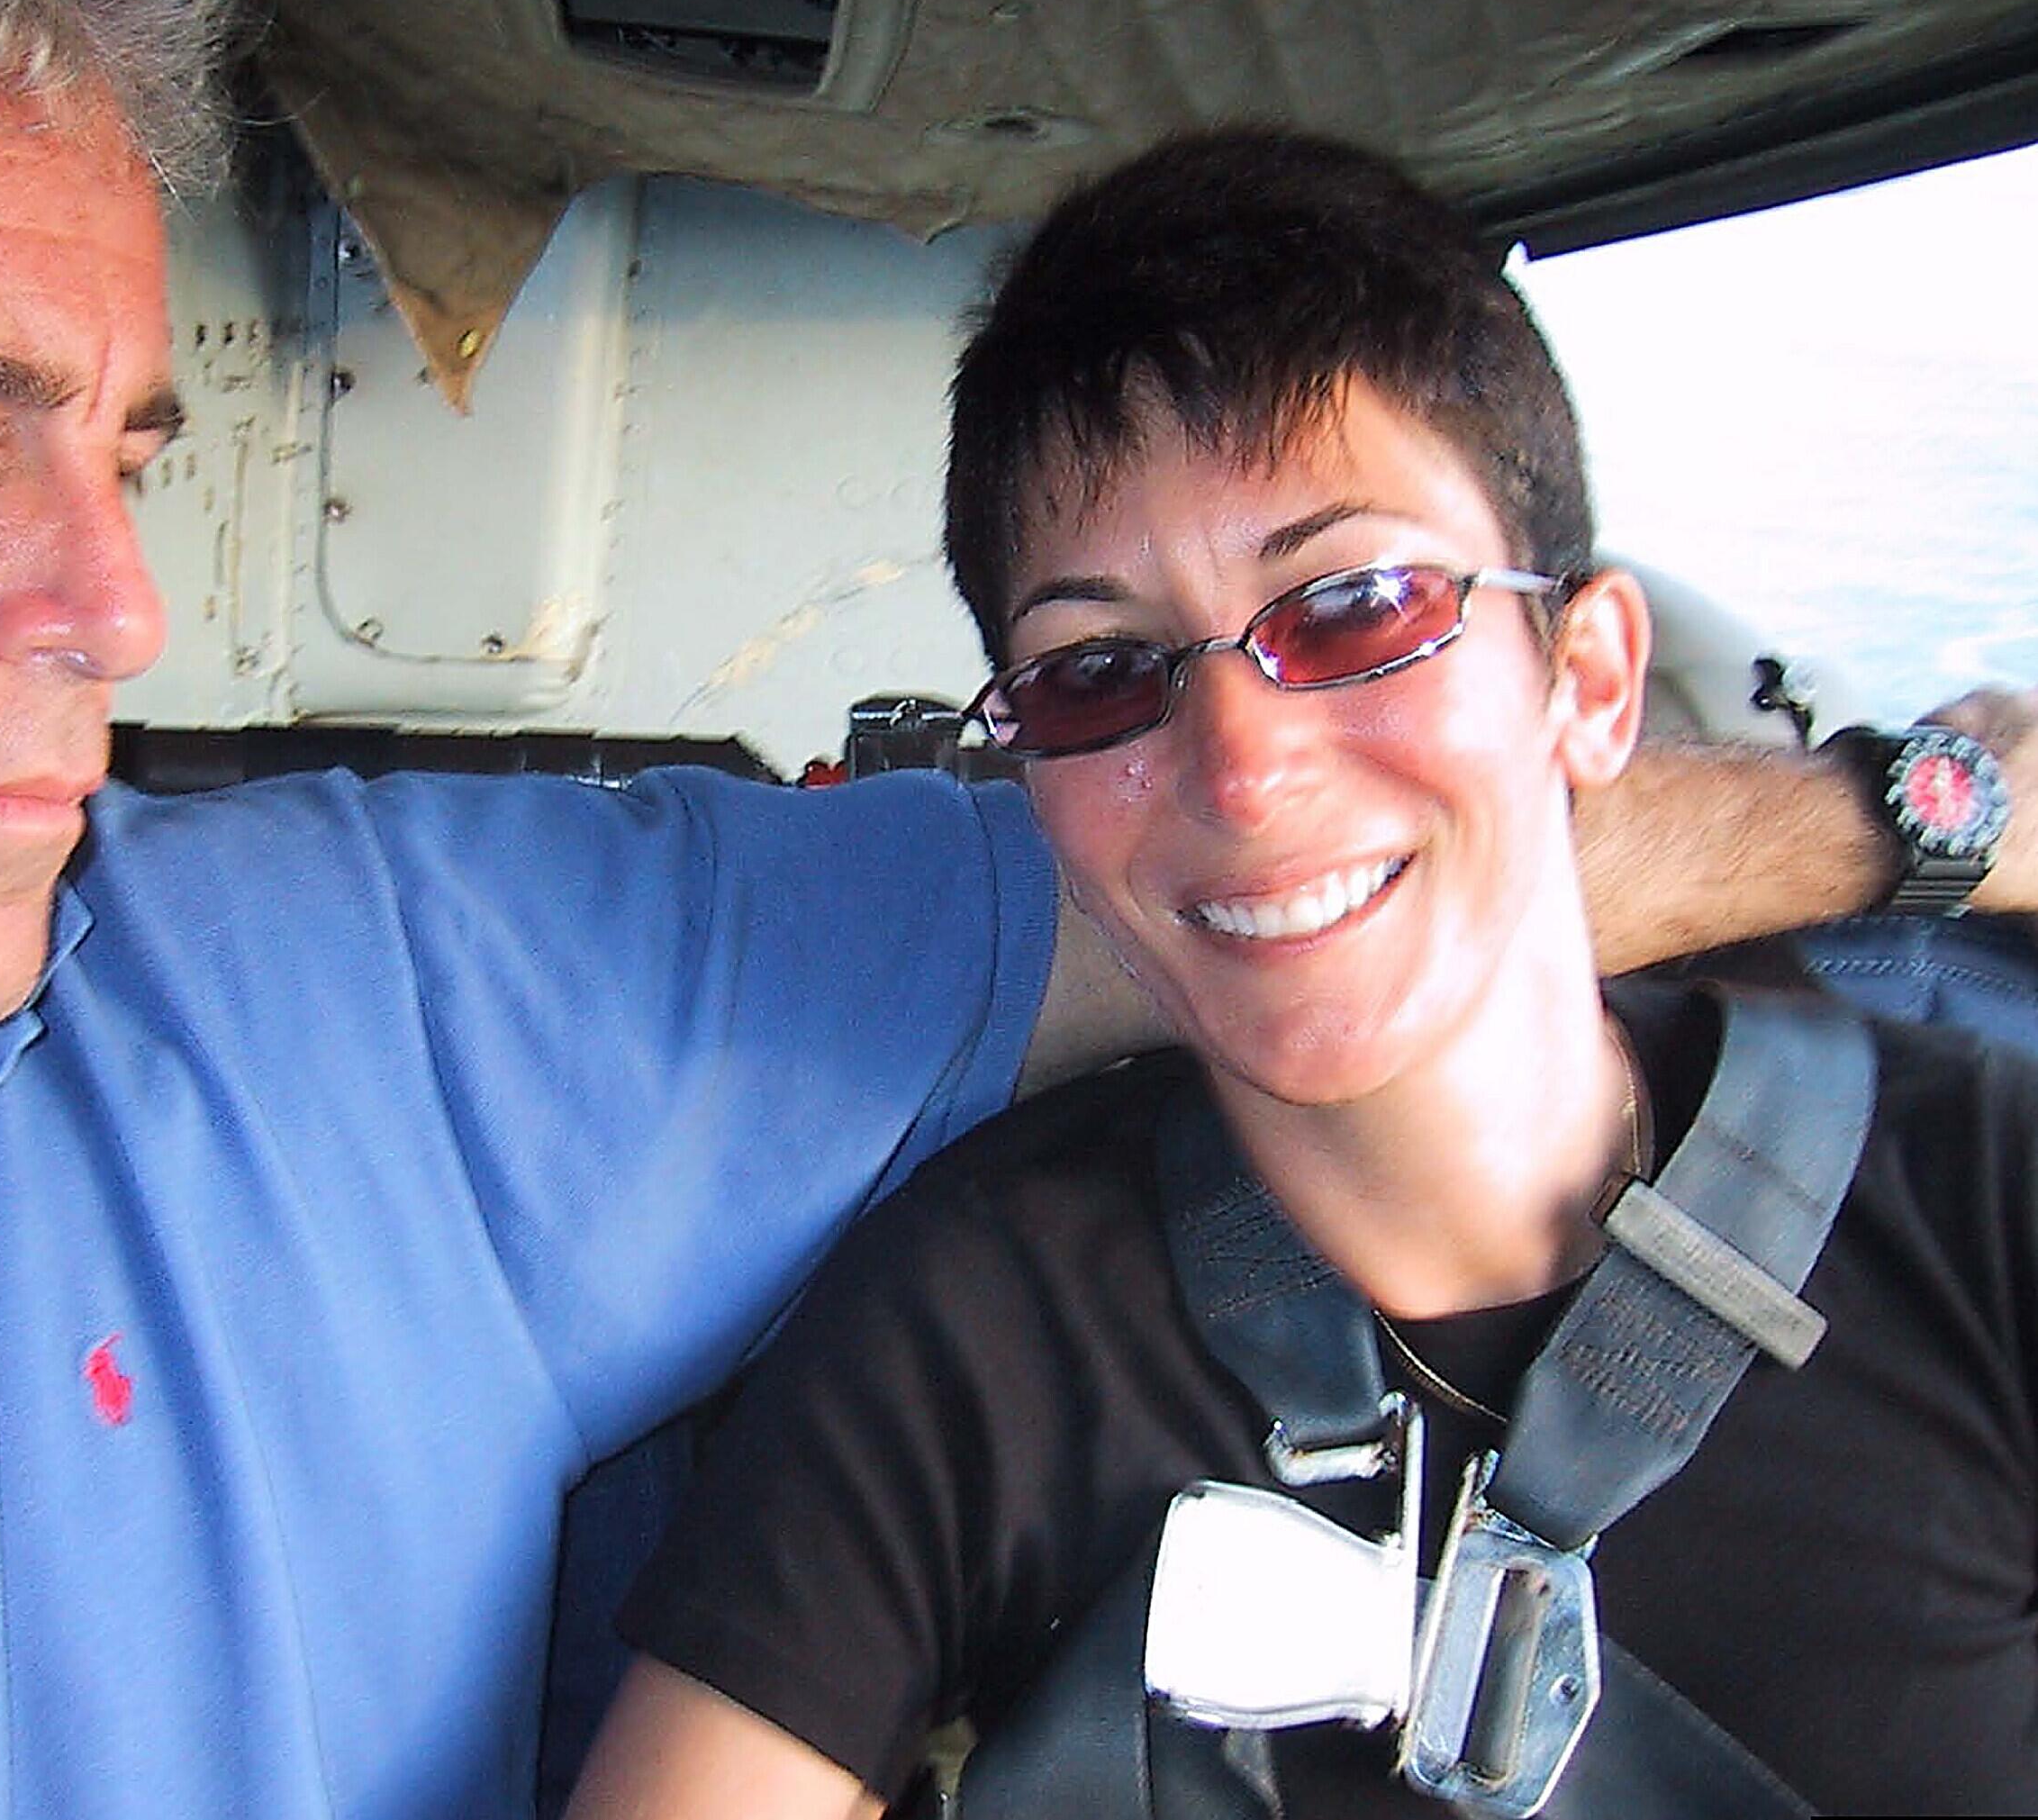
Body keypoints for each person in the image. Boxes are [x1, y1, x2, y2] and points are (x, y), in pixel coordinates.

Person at [0, 0, 2024, 1814]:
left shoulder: (361, 995)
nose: (117, 608)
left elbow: (1264, 868)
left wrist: (1932, 819)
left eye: (128, 450)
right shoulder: (976, 1344)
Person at [568, 130, 2038, 1818]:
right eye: (1097, 672)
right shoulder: (966, 1327)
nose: (1242, 771)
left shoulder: (1986, 1192)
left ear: (1587, 681)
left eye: (1355, 606)